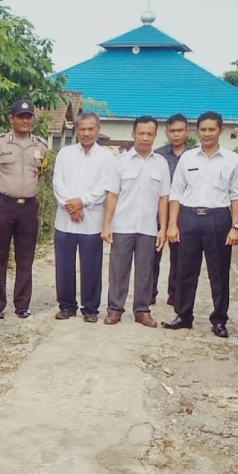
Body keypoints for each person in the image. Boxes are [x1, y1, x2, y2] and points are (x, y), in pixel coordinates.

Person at [163, 111, 238, 338]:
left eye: (212, 129)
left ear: (220, 130)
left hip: (218, 219)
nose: (207, 134)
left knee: (219, 272)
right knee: (184, 270)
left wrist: (235, 226)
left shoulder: (232, 160)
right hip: (188, 218)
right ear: (197, 131)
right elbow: (176, 193)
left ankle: (219, 319)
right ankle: (183, 315)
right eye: (203, 129)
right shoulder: (187, 158)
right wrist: (173, 224)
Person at [101, 115, 170, 327]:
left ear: (155, 136)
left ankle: (142, 310)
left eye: (150, 134)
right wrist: (107, 225)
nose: (145, 138)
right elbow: (112, 195)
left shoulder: (161, 164)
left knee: (145, 272)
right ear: (133, 134)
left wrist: (163, 228)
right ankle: (114, 309)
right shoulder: (119, 162)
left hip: (148, 227)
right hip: (123, 225)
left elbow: (164, 198)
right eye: (141, 133)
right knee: (118, 270)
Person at [0, 99, 48, 319]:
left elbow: (39, 173)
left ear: (33, 119)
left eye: (29, 116)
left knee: (25, 257)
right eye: (20, 116)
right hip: (3, 205)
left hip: (28, 207)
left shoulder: (41, 146)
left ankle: (22, 304)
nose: (25, 120)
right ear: (11, 119)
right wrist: (3, 192)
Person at [52, 112, 114, 323]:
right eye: (82, 129)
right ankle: (67, 305)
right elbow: (57, 183)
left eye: (90, 129)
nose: (86, 133)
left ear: (98, 129)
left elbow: (105, 188)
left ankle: (90, 308)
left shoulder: (107, 157)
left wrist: (82, 201)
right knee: (64, 265)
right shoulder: (65, 153)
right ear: (76, 130)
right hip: (65, 221)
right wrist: (71, 205)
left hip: (91, 221)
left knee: (91, 266)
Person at [152, 114, 188, 306]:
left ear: (187, 131)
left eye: (180, 130)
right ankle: (149, 293)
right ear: (166, 133)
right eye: (172, 131)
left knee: (180, 258)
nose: (176, 134)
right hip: (157, 213)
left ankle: (175, 295)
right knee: (151, 256)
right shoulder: (157, 156)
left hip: (183, 216)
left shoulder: (193, 156)